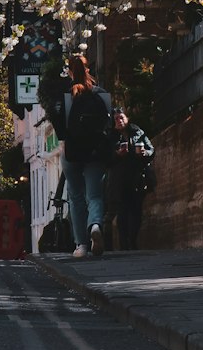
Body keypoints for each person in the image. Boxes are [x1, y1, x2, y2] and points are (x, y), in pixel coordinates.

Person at [61, 54, 113, 258]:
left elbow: (60, 127)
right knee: (95, 195)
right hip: (94, 152)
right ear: (88, 69)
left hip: (72, 151)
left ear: (70, 71)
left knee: (75, 197)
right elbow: (107, 125)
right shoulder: (100, 94)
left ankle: (81, 245)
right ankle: (95, 226)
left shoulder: (65, 95)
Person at [110, 107, 154, 250]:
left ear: (127, 118)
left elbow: (151, 150)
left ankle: (133, 240)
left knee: (136, 211)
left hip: (137, 178)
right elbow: (105, 158)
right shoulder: (110, 136)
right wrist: (117, 154)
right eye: (116, 119)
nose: (119, 121)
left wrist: (144, 153)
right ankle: (124, 244)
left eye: (121, 117)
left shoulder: (137, 132)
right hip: (119, 180)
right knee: (122, 212)